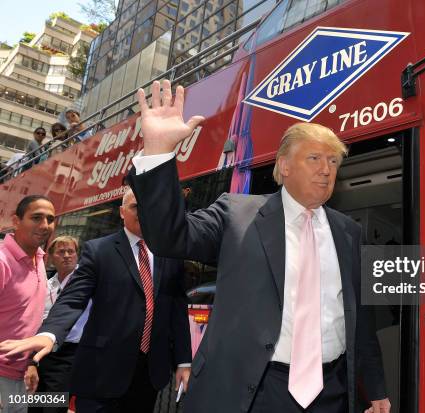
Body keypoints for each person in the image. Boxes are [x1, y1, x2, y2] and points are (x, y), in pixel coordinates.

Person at [127, 79, 390, 413]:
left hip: (331, 393)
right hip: (254, 391)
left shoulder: (349, 232)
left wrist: (377, 388)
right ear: (284, 165)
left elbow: (360, 318)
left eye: (334, 161)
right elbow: (168, 236)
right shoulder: (236, 214)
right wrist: (159, 153)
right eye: (314, 158)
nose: (326, 170)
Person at [0, 188, 192, 413]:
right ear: (121, 212)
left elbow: (177, 310)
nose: (143, 212)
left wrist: (183, 361)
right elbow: (72, 300)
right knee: (43, 405)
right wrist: (48, 333)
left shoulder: (169, 254)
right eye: (135, 207)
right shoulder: (99, 250)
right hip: (98, 373)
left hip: (148, 376)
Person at [0, 195, 55, 413]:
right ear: (16, 220)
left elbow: (28, 322)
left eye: (50, 219)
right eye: (36, 217)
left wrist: (31, 363)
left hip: (20, 376)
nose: (45, 225)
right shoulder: (2, 261)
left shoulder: (39, 259)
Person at [28, 235, 91, 413]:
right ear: (51, 257)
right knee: (34, 403)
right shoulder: (47, 284)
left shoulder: (87, 281)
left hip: (69, 353)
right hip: (41, 352)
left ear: (77, 255)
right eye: (61, 252)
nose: (66, 255)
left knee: (53, 406)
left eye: (71, 251)